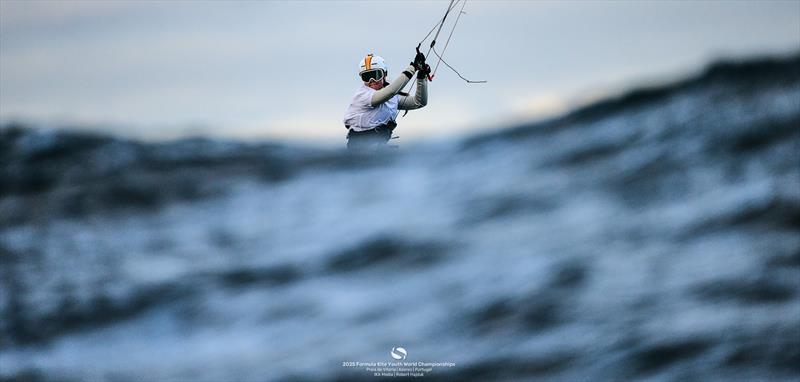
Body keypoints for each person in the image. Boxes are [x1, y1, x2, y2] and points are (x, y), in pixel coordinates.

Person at [343, 51, 430, 150]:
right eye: (366, 77)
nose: (371, 81)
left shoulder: (391, 97)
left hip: (378, 147)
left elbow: (419, 102)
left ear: (385, 74)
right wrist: (413, 68)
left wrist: (422, 77)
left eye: (376, 75)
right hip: (359, 148)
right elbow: (390, 91)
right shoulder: (362, 95)